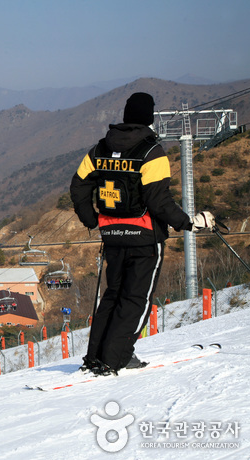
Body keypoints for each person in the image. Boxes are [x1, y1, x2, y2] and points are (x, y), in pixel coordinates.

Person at [69, 92, 215, 376]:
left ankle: (95, 357)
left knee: (113, 295)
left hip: (111, 233)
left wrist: (93, 219)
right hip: (144, 236)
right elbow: (158, 200)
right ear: (149, 117)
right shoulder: (152, 152)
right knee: (136, 299)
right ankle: (115, 359)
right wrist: (190, 223)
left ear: (125, 116)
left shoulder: (98, 150)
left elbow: (79, 186)